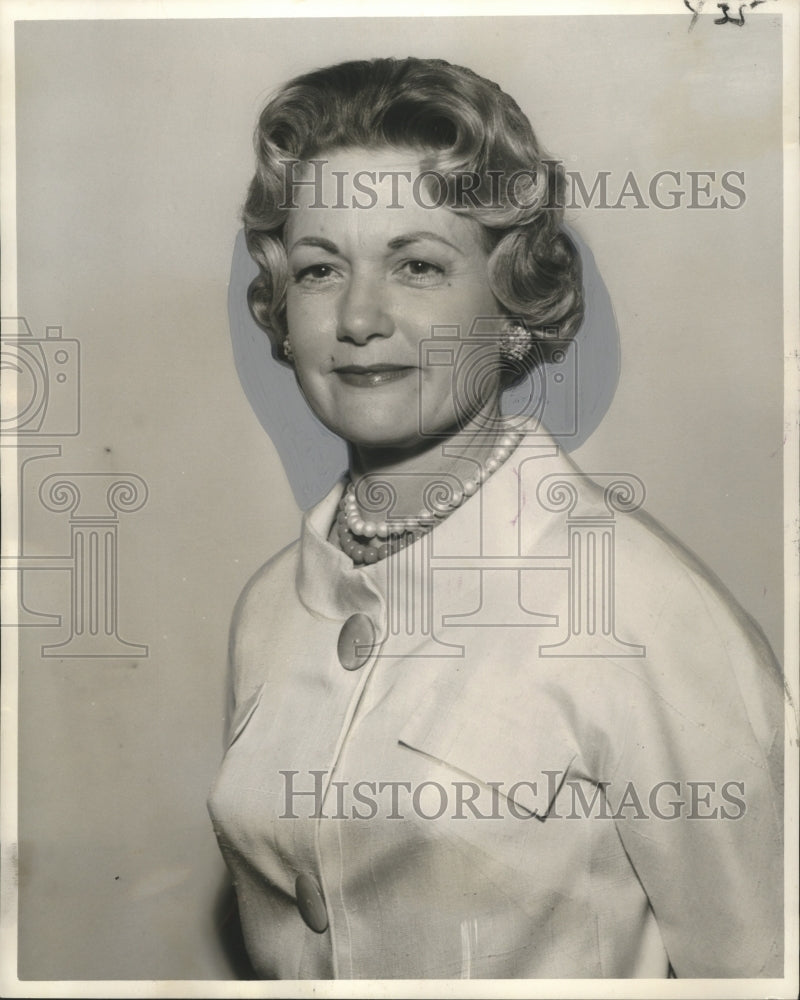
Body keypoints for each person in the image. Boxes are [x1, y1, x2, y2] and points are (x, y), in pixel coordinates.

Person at [207, 57, 784, 980]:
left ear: (512, 302)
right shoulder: (272, 609)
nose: (359, 316)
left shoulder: (635, 609)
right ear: (283, 311)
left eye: (418, 265)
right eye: (320, 269)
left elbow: (760, 965)